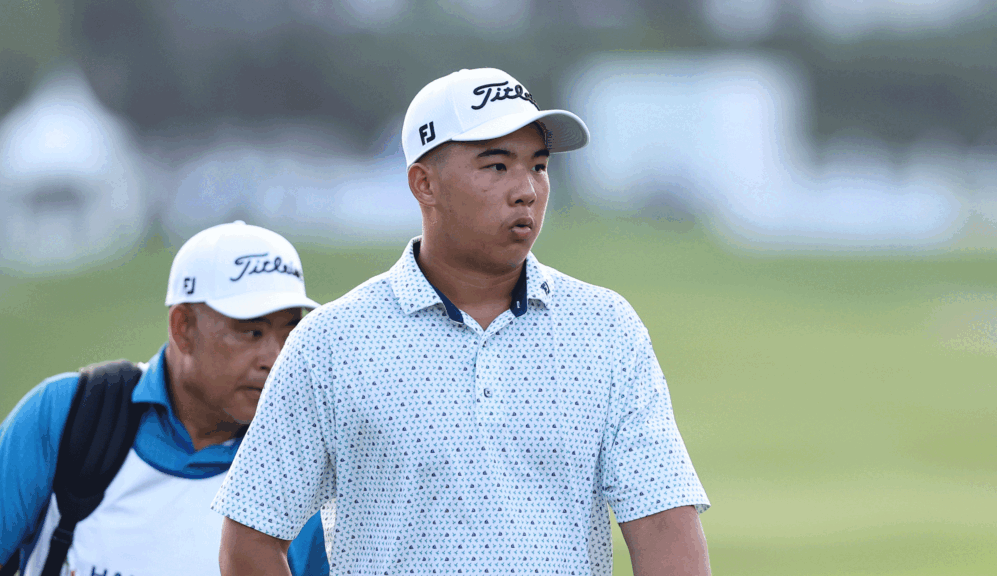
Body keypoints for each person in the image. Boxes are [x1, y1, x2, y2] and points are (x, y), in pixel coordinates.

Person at [214, 68, 712, 575]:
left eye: (538, 166)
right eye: (496, 166)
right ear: (424, 183)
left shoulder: (605, 328)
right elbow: (252, 536)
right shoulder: (331, 342)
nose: (526, 191)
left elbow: (662, 523)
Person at [0, 221, 330, 576]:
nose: (275, 359)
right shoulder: (68, 412)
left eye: (292, 333)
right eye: (252, 332)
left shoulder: (308, 467)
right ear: (183, 328)